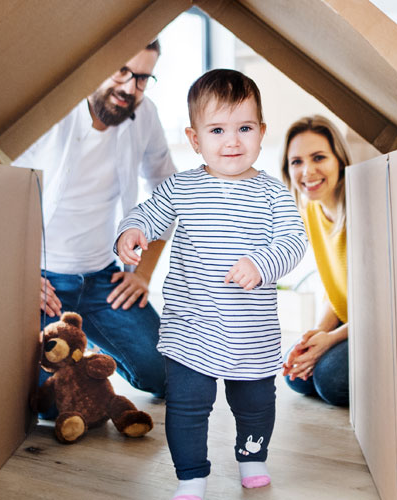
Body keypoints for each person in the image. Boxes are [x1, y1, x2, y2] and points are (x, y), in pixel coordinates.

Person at [114, 69, 306, 500]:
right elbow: (147, 215)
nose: (232, 141)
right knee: (187, 406)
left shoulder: (274, 194)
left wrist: (263, 262)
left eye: (244, 128)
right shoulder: (181, 187)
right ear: (196, 138)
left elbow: (295, 241)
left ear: (261, 133)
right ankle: (191, 476)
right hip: (191, 327)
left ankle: (252, 455)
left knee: (256, 404)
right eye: (217, 129)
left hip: (250, 330)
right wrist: (131, 233)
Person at [14, 40, 175, 404]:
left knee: (166, 374)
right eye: (122, 71)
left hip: (104, 279)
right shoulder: (49, 111)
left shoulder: (145, 115)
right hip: (44, 284)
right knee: (46, 401)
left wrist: (143, 274)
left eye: (143, 79)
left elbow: (168, 191)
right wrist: (19, 277)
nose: (129, 89)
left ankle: (85, 353)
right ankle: (77, 359)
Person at [279, 115, 352, 407]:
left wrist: (331, 340)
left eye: (319, 157)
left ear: (339, 160)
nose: (307, 171)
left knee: (330, 381)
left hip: (379, 325)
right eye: (296, 161)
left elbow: (383, 307)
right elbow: (333, 290)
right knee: (295, 376)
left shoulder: (363, 205)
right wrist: (318, 333)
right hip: (348, 322)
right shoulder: (310, 210)